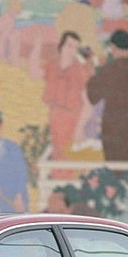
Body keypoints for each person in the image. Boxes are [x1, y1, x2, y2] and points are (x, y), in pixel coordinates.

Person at [86, 30, 128, 163]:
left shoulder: (107, 71)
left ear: (113, 47)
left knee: (112, 166)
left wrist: (92, 74)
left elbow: (93, 97)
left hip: (111, 124)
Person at [42, 31, 95, 160]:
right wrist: (37, 45)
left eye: (75, 48)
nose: (71, 50)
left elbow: (88, 105)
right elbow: (34, 73)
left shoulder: (80, 70)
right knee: (57, 157)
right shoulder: (53, 66)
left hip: (72, 121)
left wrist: (79, 128)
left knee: (69, 160)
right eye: (69, 46)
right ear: (61, 46)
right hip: (55, 120)